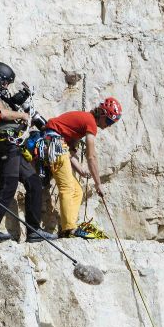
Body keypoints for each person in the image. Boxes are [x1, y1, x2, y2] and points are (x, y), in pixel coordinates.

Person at [0, 62, 57, 243]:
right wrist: (23, 116)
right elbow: (1, 114)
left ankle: (34, 231)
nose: (6, 87)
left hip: (13, 144)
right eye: (6, 82)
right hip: (4, 143)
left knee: (34, 183)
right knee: (9, 185)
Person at [41, 97, 122, 238]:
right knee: (67, 187)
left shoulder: (85, 121)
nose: (109, 126)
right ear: (102, 114)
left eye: (112, 123)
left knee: (77, 191)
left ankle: (69, 227)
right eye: (109, 121)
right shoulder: (90, 122)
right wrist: (98, 184)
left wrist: (79, 169)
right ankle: (69, 229)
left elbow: (69, 150)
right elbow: (91, 157)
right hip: (54, 143)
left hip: (58, 144)